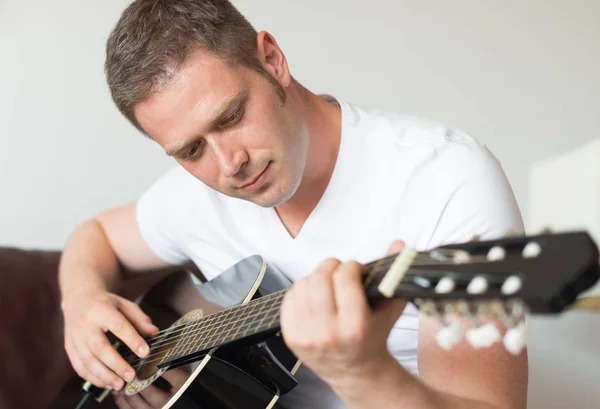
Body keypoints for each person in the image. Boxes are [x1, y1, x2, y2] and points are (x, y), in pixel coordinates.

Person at [58, 0, 528, 408]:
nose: (230, 164)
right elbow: (95, 236)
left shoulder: (446, 178)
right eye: (191, 151)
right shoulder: (194, 196)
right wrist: (80, 299)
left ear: (272, 59)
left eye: (232, 116)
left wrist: (361, 372)